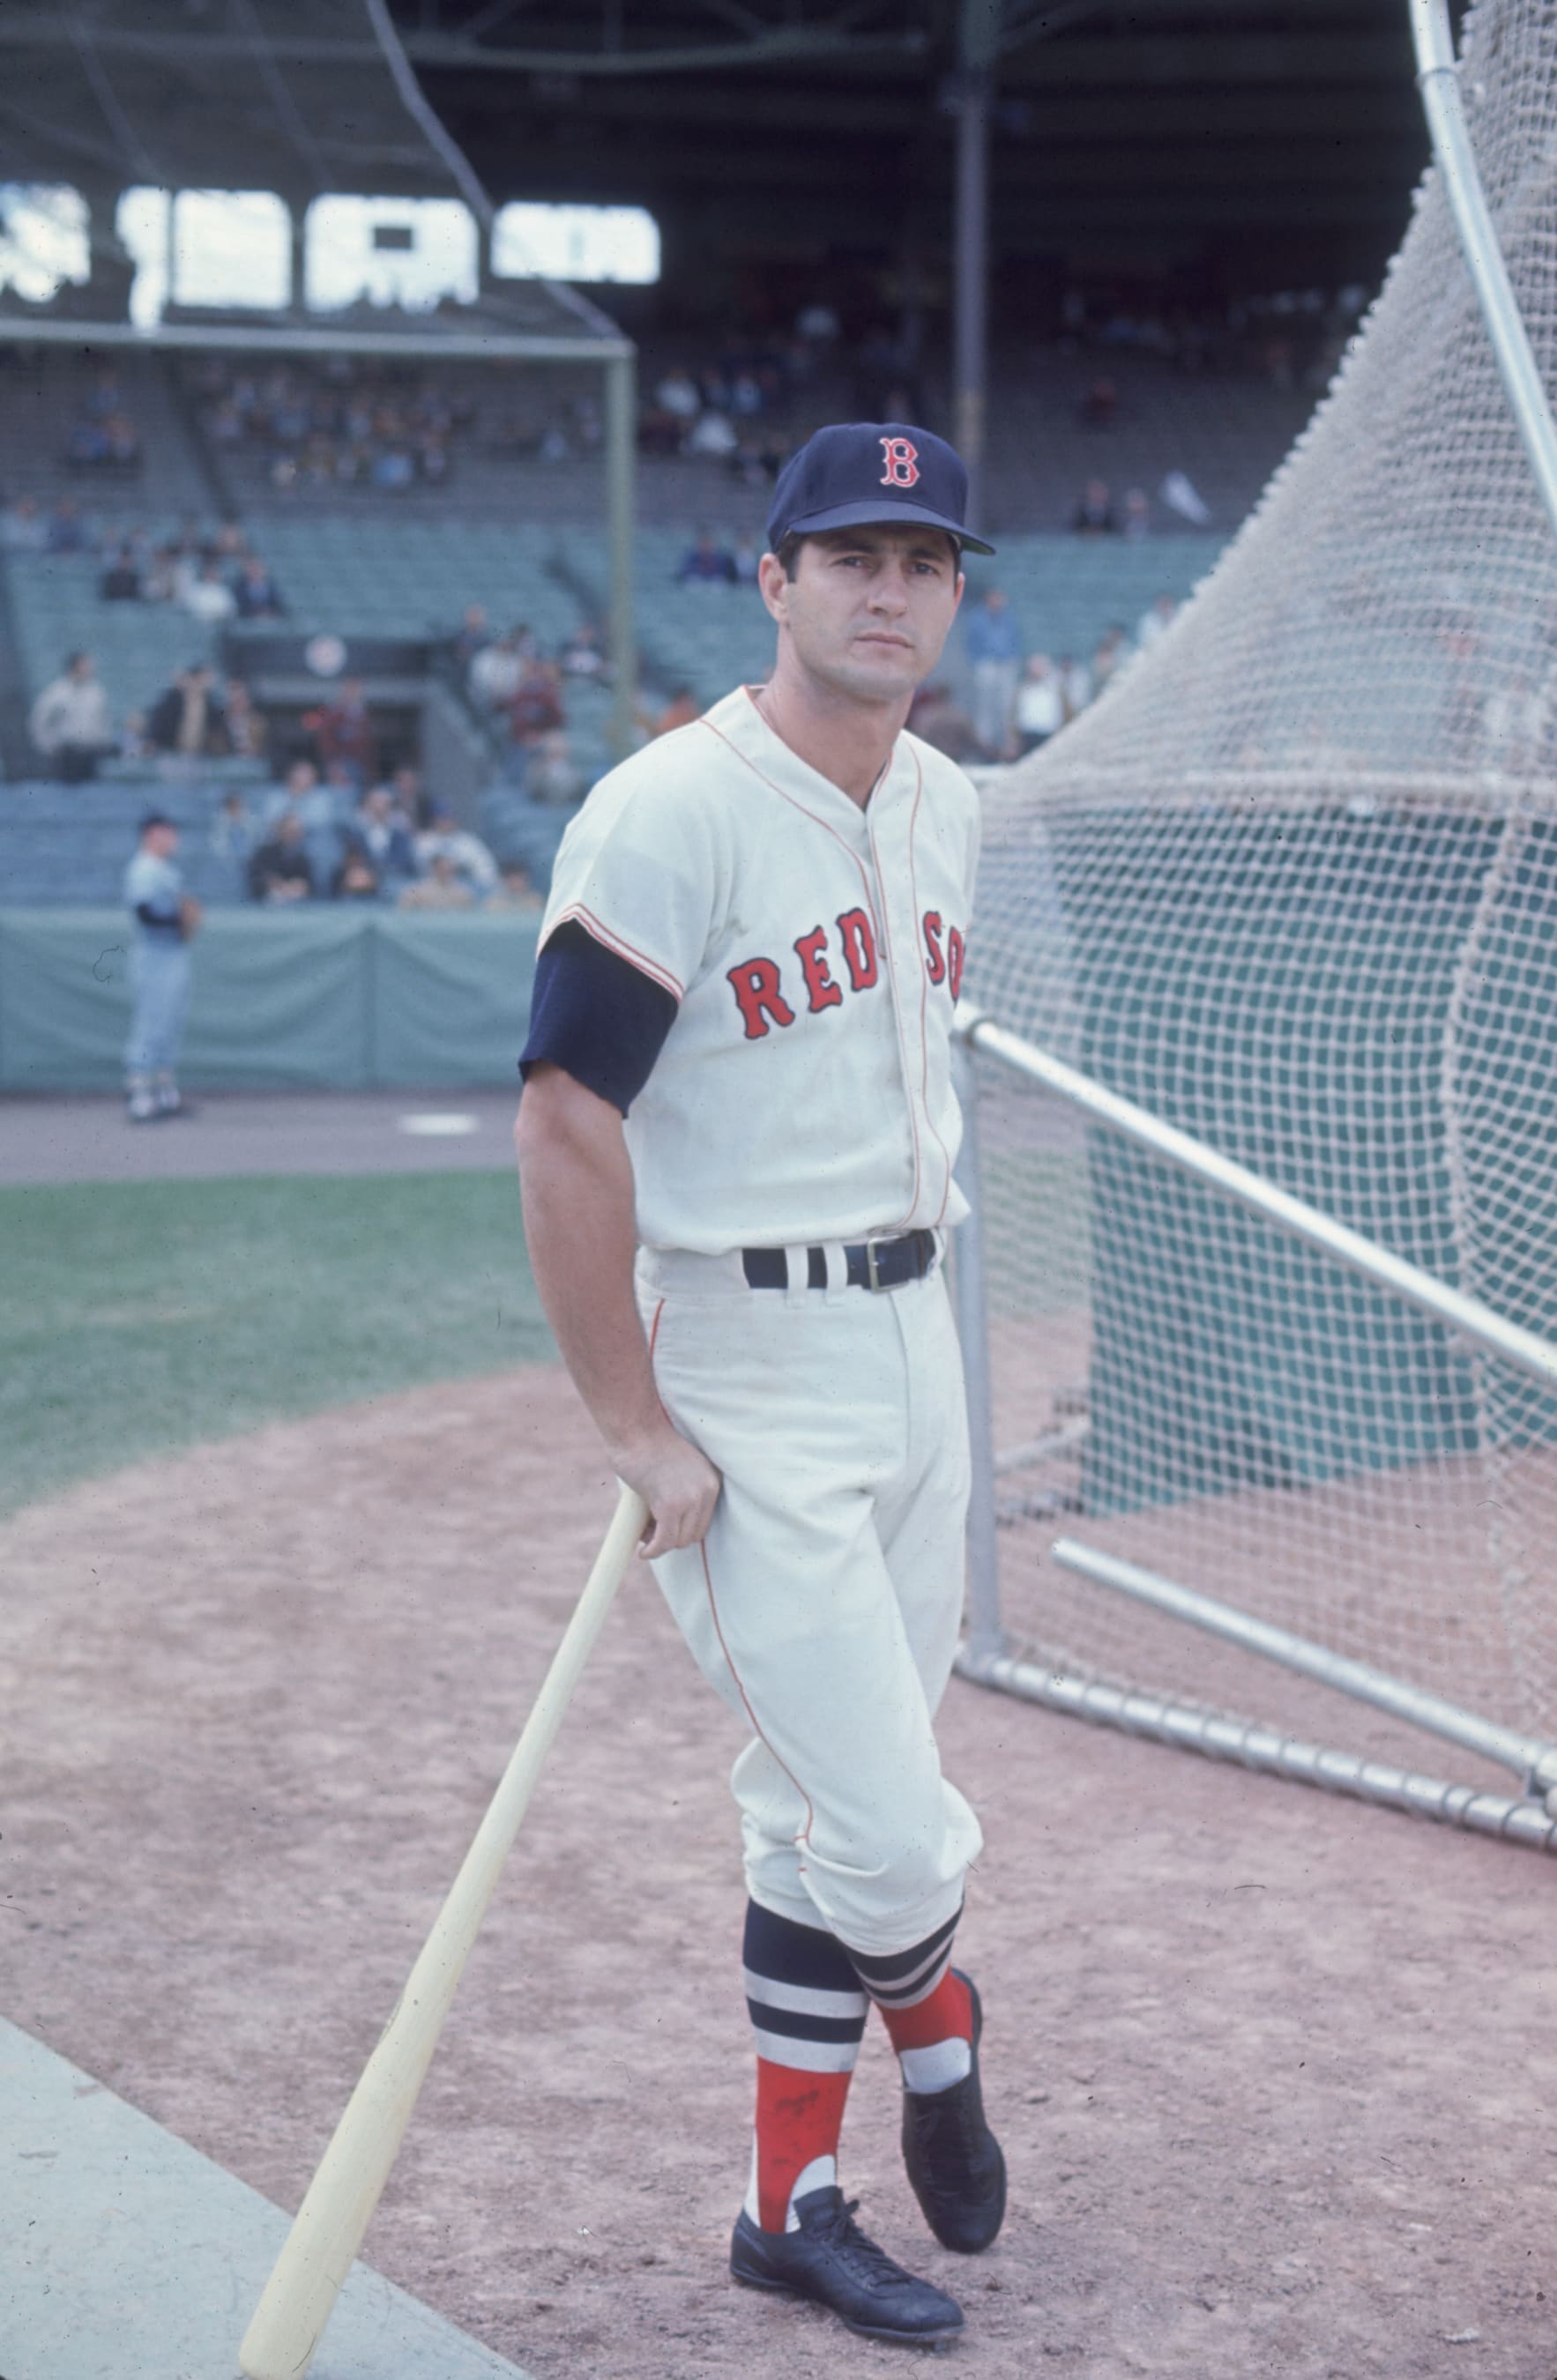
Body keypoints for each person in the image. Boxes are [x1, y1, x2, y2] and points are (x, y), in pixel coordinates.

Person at [515, 420, 1007, 2352]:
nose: (890, 590)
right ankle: (943, 2042)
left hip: (917, 1336)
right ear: (774, 576)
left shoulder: (947, 802)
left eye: (925, 558)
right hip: (747, 1357)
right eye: (852, 555)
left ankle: (783, 2204)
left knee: (808, 1814)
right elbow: (564, 1121)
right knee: (888, 1832)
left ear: (957, 593)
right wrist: (636, 1425)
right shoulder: (666, 812)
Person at [123, 812, 199, 1123]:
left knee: (169, 1025)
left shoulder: (165, 869)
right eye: (168, 833)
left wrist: (184, 920)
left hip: (173, 953)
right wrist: (180, 919)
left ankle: (164, 1093)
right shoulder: (143, 868)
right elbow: (145, 913)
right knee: (150, 1025)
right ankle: (139, 1095)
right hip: (153, 956)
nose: (173, 840)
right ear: (153, 834)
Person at [29, 651, 115, 781]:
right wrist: (48, 747)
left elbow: (103, 721)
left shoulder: (96, 692)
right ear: (75, 667)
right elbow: (39, 721)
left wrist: (104, 742)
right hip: (66, 755)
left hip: (90, 753)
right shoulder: (57, 693)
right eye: (86, 665)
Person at [964, 586, 1024, 761]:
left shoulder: (1009, 618)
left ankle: (1006, 746)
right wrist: (977, 660)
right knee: (985, 706)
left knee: (1006, 706)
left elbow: (1016, 640)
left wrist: (1013, 659)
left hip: (1006, 664)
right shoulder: (978, 618)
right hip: (986, 662)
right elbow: (971, 641)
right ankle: (985, 745)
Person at [146, 664, 227, 759]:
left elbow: (220, 734)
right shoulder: (172, 700)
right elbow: (156, 725)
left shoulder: (212, 704)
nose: (198, 684)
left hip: (201, 757)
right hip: (171, 754)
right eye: (197, 679)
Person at [247, 810, 315, 903]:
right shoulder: (264, 852)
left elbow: (309, 882)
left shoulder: (303, 857)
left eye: (297, 831)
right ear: (280, 831)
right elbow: (256, 876)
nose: (294, 835)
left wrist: (301, 885)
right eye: (290, 831)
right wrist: (272, 882)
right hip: (267, 901)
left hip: (296, 899)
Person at [1014, 653, 1065, 753]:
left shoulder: (1056, 689)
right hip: (1027, 736)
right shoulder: (1022, 690)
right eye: (1034, 667)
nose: (1037, 670)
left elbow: (1067, 713)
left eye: (1040, 666)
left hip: (1050, 734)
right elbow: (1014, 715)